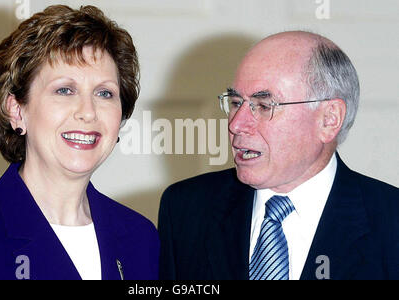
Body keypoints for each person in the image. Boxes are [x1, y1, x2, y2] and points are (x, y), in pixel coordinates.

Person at [158, 31, 399, 280]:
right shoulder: (186, 209)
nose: (236, 124)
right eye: (235, 102)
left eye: (263, 106)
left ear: (329, 119)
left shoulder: (391, 223)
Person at [0, 5, 159, 280]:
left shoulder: (141, 238)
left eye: (105, 93)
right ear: (16, 110)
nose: (88, 111)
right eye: (64, 90)